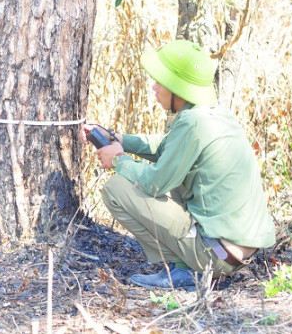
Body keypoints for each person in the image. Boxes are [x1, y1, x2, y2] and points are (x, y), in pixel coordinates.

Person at [80, 39, 275, 290]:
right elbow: (167, 146)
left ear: (177, 88)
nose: (153, 87)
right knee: (162, 177)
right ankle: (187, 265)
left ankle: (185, 270)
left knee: (116, 188)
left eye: (159, 82)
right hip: (233, 252)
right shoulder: (211, 115)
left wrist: (118, 159)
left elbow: (154, 183)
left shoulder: (193, 123)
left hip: (215, 256)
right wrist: (118, 140)